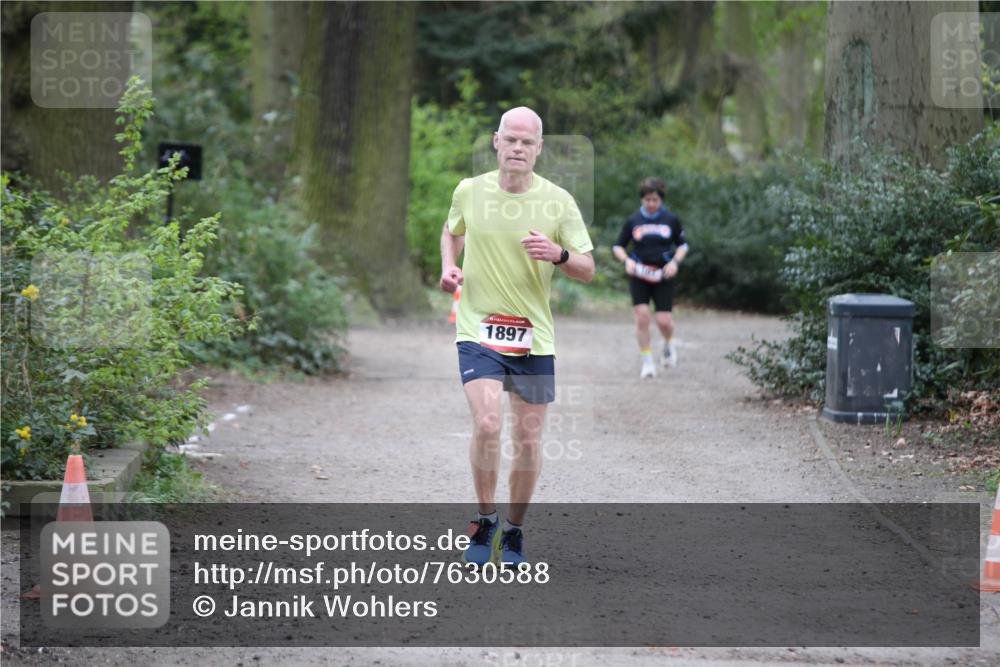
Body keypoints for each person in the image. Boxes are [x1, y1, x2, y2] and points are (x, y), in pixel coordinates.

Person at [439, 107, 594, 567]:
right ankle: (485, 521)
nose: (518, 148)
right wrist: (449, 266)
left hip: (533, 339)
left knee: (527, 442)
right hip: (478, 329)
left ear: (540, 148)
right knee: (488, 424)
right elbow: (452, 232)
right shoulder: (470, 191)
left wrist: (558, 253)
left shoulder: (558, 202)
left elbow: (588, 268)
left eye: (528, 142)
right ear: (496, 142)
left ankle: (515, 531)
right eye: (511, 139)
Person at [612, 177, 689, 379]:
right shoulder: (633, 220)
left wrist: (675, 263)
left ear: (661, 199)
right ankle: (647, 362)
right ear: (642, 199)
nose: (651, 204)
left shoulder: (671, 219)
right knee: (642, 316)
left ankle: (668, 341)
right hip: (639, 274)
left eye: (655, 199)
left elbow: (683, 245)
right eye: (647, 199)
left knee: (664, 320)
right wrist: (626, 261)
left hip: (664, 274)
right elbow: (618, 246)